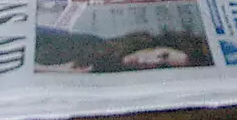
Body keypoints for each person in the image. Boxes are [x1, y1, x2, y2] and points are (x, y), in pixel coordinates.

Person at [33, 28, 212, 73]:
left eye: (162, 66)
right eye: (162, 55)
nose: (150, 61)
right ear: (156, 45)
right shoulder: (88, 44)